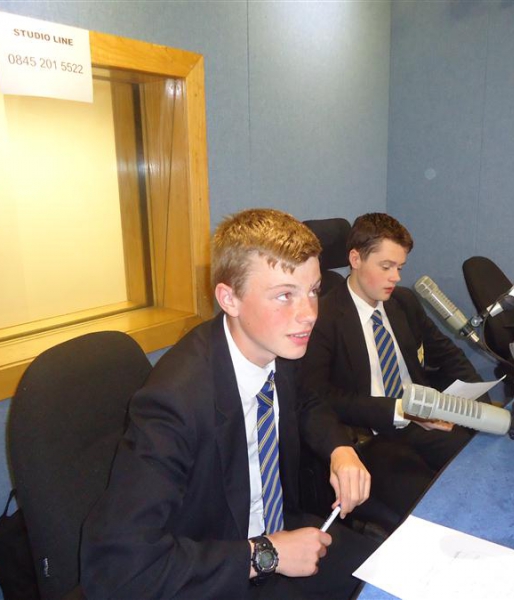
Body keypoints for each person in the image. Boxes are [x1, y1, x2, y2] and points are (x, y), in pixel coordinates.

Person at [80, 209, 378, 599]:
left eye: (313, 291)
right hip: (212, 566)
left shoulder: (279, 345)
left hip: (281, 529)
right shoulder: (173, 403)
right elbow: (118, 569)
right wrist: (266, 555)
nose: (308, 314)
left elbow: (307, 401)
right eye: (284, 295)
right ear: (229, 299)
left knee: (389, 573)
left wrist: (340, 449)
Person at [299, 212, 487, 518]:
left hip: (422, 418)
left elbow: (448, 355)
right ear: (355, 259)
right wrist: (400, 410)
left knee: (477, 469)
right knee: (430, 504)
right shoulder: (324, 317)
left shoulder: (404, 302)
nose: (395, 277)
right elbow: (322, 397)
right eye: (386, 267)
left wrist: (483, 408)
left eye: (400, 267)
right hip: (372, 433)